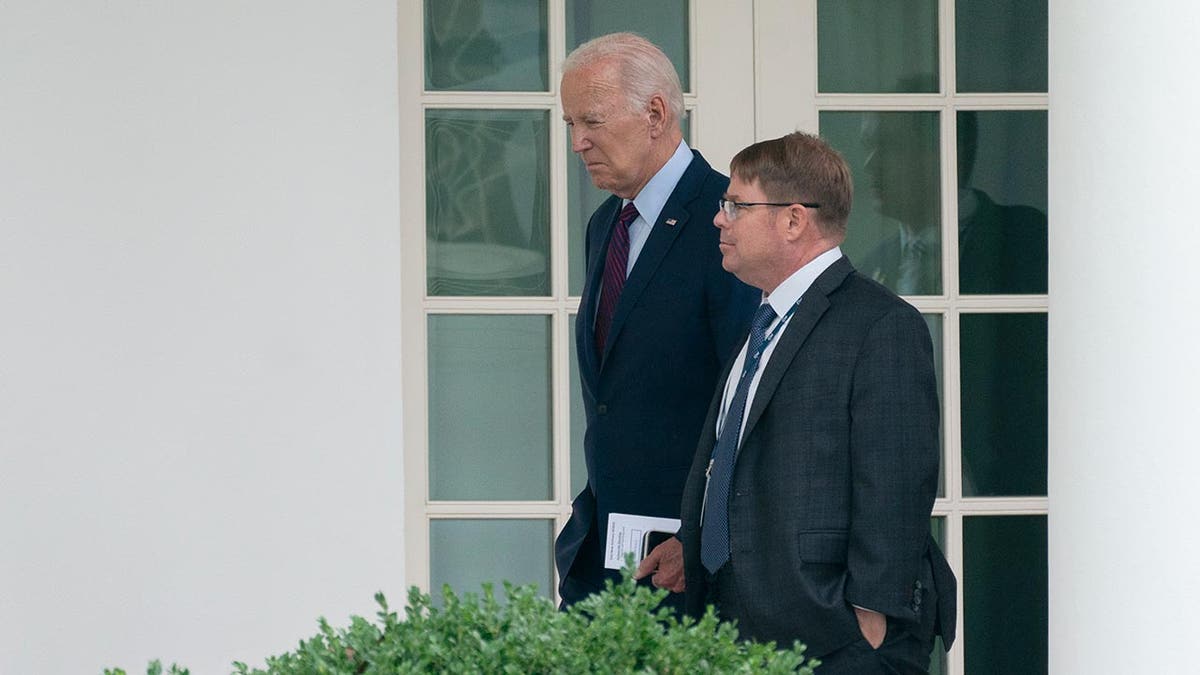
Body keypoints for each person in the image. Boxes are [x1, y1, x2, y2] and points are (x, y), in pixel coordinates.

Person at [678, 132, 956, 674]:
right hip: (738, 624)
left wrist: (868, 615)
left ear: (793, 220)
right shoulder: (763, 323)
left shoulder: (881, 324)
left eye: (736, 205)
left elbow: (897, 480)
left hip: (834, 638)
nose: (719, 219)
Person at [554, 33, 757, 611]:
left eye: (592, 121)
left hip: (688, 567)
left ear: (656, 114)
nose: (577, 142)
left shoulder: (728, 220)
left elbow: (748, 402)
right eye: (570, 124)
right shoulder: (605, 225)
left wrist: (702, 536)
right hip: (605, 552)